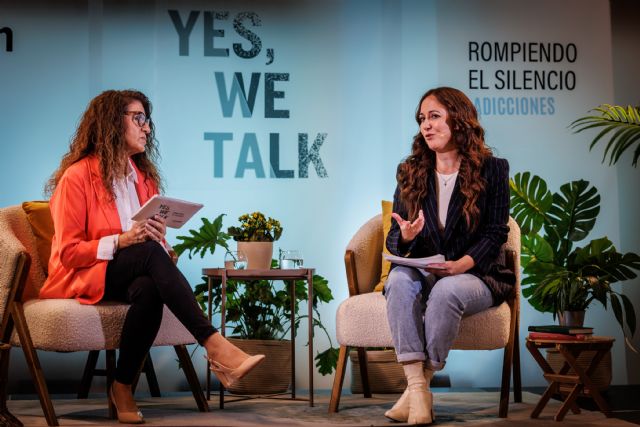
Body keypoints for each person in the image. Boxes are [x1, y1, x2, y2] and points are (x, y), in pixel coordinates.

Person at [40, 90, 264, 424]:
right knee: (145, 252)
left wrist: (162, 244)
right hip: (86, 273)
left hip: (134, 271)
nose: (147, 128)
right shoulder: (77, 178)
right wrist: (122, 241)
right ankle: (215, 345)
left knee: (149, 287)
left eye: (147, 120)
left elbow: (149, 248)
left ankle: (122, 387)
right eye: (138, 118)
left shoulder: (144, 180)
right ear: (112, 123)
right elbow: (69, 253)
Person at [383, 87, 515, 425]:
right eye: (422, 119)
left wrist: (462, 265)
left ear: (458, 120)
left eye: (434, 116)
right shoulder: (410, 171)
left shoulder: (493, 169)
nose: (426, 125)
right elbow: (395, 237)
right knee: (398, 281)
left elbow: (495, 232)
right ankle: (418, 388)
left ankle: (416, 391)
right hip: (427, 268)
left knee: (447, 290)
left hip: (476, 273)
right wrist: (406, 236)